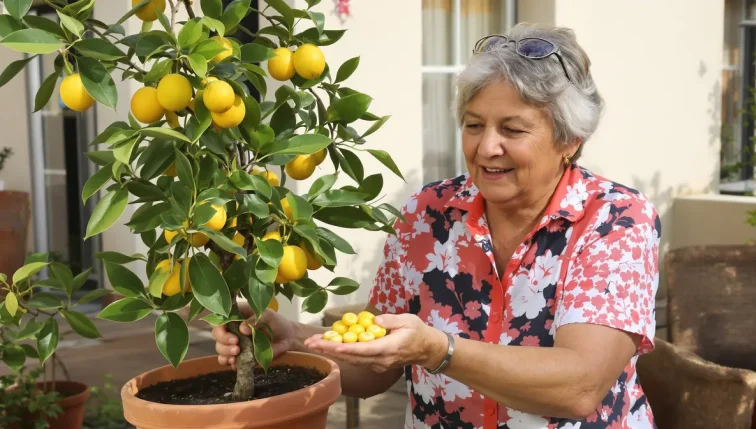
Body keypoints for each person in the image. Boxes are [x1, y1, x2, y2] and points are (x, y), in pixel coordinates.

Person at [213, 23, 660, 429]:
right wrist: (294, 340)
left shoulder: (614, 219)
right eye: (473, 125)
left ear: (570, 139)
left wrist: (437, 350)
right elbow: (377, 366)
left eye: (512, 130)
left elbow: (579, 387)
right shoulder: (428, 212)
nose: (487, 147)